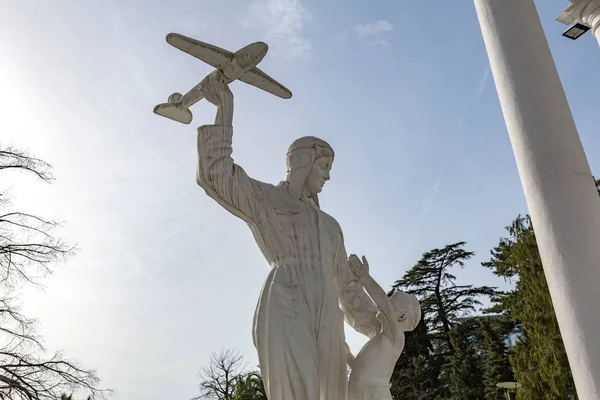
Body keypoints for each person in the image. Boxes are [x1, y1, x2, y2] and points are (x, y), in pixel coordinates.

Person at [194, 71, 380, 400]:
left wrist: (377, 327)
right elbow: (216, 175)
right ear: (304, 163)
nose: (328, 177)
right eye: (324, 167)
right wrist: (225, 108)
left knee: (331, 392)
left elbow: (347, 287)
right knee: (298, 389)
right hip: (286, 297)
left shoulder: (330, 226)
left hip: (327, 309)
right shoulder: (266, 200)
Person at [346, 255, 421, 400]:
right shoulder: (383, 340)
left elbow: (384, 306)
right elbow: (364, 371)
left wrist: (364, 278)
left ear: (402, 316)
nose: (388, 300)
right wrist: (348, 355)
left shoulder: (396, 336)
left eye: (394, 300)